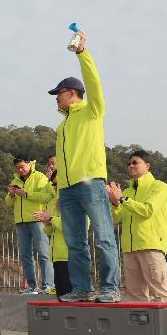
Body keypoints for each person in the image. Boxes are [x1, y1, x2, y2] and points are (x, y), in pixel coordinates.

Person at [48, 30, 120, 303]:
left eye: (59, 93)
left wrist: (82, 53)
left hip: (90, 183)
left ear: (73, 94)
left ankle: (110, 288)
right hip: (67, 191)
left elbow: (95, 83)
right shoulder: (62, 125)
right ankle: (82, 289)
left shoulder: (92, 111)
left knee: (103, 238)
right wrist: (59, 190)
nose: (56, 97)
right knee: (75, 243)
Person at [107, 151, 167, 302]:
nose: (131, 165)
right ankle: (140, 326)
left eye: (135, 162)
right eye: (129, 163)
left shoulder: (159, 186)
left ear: (147, 166)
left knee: (160, 292)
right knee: (135, 296)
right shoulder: (128, 191)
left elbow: (148, 210)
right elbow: (116, 219)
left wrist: (122, 199)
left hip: (150, 246)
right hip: (129, 249)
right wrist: (115, 203)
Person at [5, 157, 54, 294]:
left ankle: (48, 285)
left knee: (44, 253)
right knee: (26, 255)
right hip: (20, 222)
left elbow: (47, 196)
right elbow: (9, 203)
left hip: (37, 220)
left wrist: (26, 194)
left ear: (29, 163)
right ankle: (32, 286)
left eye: (22, 166)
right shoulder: (15, 180)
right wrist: (12, 194)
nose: (20, 170)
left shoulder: (40, 177)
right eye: (17, 168)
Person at [33, 172, 73, 298]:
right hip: (57, 256)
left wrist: (51, 218)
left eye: (57, 184)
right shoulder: (55, 202)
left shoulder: (75, 202)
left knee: (70, 296)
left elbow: (73, 227)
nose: (54, 187)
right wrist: (47, 223)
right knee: (61, 297)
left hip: (70, 257)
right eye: (53, 184)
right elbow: (51, 231)